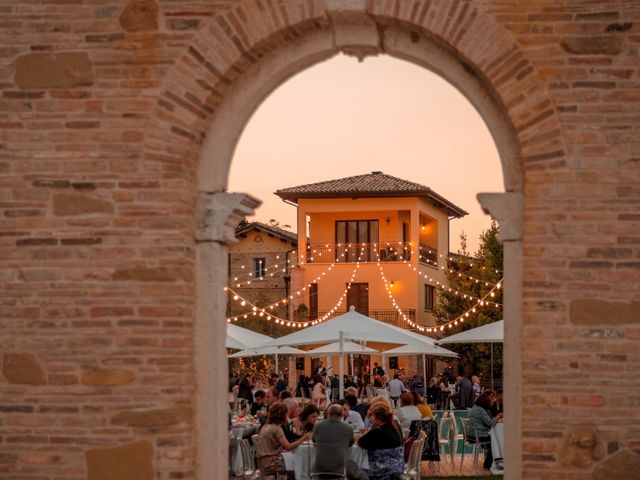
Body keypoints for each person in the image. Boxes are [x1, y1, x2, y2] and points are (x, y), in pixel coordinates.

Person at [312, 403, 367, 480]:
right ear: (342, 415)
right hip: (340, 467)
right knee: (357, 470)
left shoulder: (317, 426)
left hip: (319, 467)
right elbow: (351, 444)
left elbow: (314, 442)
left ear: (328, 414)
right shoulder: (347, 428)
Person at [256, 402, 311, 474]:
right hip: (272, 463)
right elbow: (288, 447)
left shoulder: (266, 426)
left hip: (262, 461)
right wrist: (304, 438)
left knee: (296, 459)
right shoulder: (276, 429)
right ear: (283, 415)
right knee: (303, 462)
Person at [358, 402, 404, 480]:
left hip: (380, 470)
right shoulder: (393, 429)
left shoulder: (378, 431)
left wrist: (372, 428)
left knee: (353, 467)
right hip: (396, 468)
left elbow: (361, 442)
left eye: (373, 417)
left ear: (379, 418)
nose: (371, 420)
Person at [467, 392, 503, 470]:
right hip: (478, 435)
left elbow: (488, 421)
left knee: (495, 438)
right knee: (495, 440)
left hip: (472, 434)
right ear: (486, 401)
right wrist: (498, 416)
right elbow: (491, 423)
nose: (492, 402)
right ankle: (489, 464)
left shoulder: (476, 407)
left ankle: (493, 462)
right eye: (491, 400)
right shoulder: (480, 410)